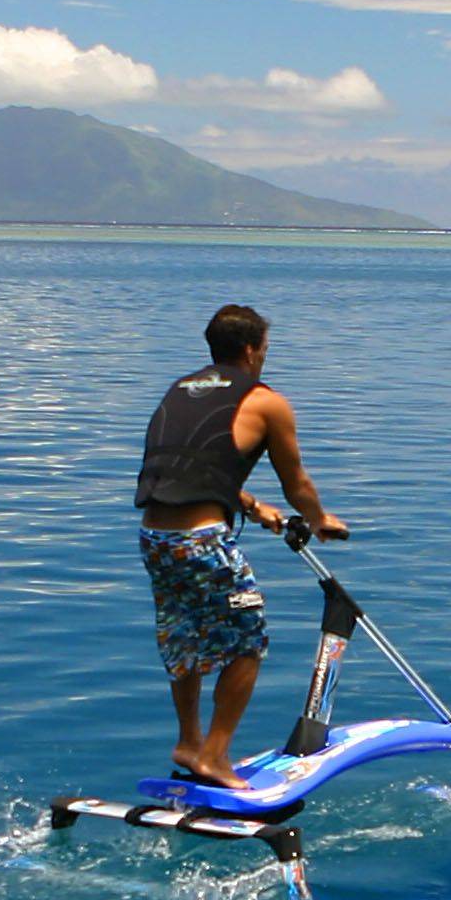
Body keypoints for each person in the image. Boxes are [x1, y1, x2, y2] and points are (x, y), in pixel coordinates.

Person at [135, 304, 348, 789]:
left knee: (183, 638)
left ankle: (189, 742)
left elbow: (191, 467)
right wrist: (318, 520)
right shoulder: (266, 401)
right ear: (252, 350)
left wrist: (252, 507)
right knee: (248, 639)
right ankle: (214, 755)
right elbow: (297, 483)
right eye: (265, 350)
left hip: (156, 538)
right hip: (202, 540)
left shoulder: (181, 388)